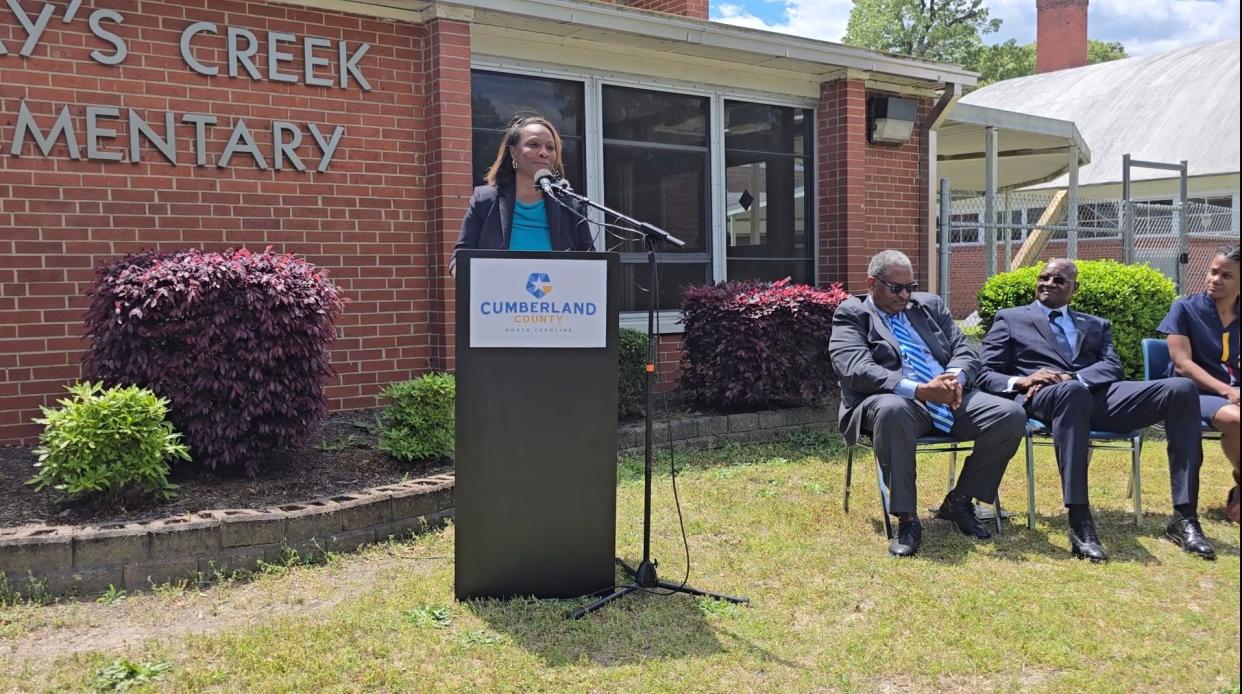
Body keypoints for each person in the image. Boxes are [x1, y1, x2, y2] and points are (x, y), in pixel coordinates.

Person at [978, 258, 1212, 562]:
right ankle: (1080, 520)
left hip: (1095, 395)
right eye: (1044, 277)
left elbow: (1112, 365)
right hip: (1045, 398)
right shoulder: (1010, 319)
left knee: (1181, 389)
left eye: (1059, 280)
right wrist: (1023, 380)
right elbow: (985, 373)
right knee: (1071, 393)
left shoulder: (1095, 324)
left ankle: (1184, 517)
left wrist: (1074, 376)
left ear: (1074, 288)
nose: (1048, 283)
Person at [830, 250, 1027, 558]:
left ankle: (960, 501)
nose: (906, 294)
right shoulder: (852, 313)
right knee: (892, 411)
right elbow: (854, 366)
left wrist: (954, 379)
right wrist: (921, 390)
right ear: (872, 283)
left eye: (911, 286)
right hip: (894, 400)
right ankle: (907, 519)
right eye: (897, 288)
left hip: (948, 396)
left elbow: (965, 349)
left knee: (1010, 414)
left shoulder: (928, 306)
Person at [448, 115, 592, 275]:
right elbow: (460, 256)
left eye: (551, 148)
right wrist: (461, 272)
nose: (544, 153)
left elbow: (592, 264)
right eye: (534, 144)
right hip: (499, 297)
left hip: (558, 298)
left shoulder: (571, 206)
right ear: (514, 152)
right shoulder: (485, 200)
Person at [1158, 245, 1241, 523]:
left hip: (1234, 393)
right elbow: (1182, 364)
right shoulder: (1185, 308)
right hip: (1191, 393)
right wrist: (1227, 390)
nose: (1215, 279)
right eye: (1213, 272)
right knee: (1237, 419)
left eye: (1226, 276)